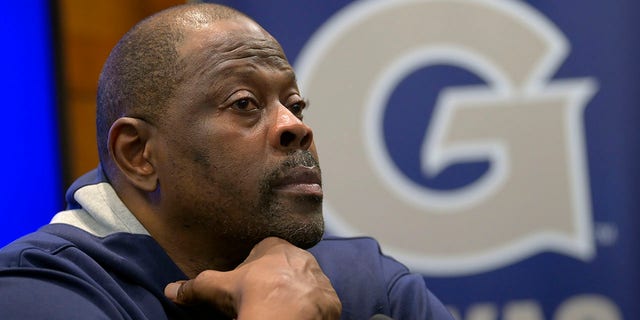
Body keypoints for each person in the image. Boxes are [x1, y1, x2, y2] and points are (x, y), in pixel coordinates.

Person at [0, 3, 454, 320]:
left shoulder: (366, 283)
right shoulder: (36, 292)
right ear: (138, 154)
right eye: (244, 104)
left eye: (294, 105)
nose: (295, 127)